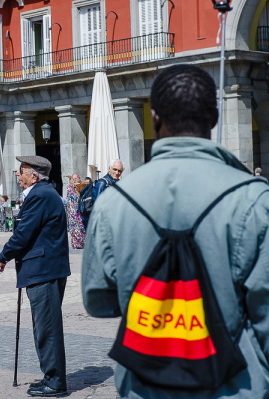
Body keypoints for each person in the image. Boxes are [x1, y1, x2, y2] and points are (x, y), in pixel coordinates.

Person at [82, 64, 269, 398]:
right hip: (236, 383)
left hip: (144, 383)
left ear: (154, 118)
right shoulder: (255, 199)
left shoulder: (113, 202)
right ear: (213, 119)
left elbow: (98, 301)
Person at [0, 155, 70, 397]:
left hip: (44, 270)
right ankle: (50, 375)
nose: (18, 174)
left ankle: (56, 382)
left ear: (34, 175)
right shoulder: (45, 193)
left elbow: (24, 233)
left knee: (47, 327)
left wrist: (3, 256)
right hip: (46, 268)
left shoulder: (39, 195)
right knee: (44, 326)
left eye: (21, 170)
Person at [66, 175, 86, 249]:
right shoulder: (70, 187)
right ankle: (76, 243)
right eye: (73, 179)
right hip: (72, 211)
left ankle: (81, 242)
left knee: (80, 226)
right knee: (74, 227)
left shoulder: (82, 186)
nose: (74, 180)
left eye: (76, 178)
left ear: (79, 178)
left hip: (80, 210)